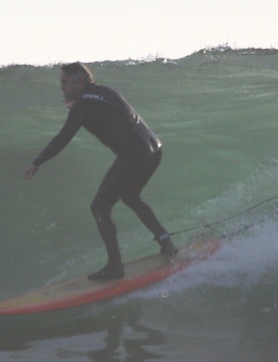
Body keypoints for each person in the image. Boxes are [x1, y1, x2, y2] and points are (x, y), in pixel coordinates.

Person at [24, 62, 177, 280]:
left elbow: (64, 137)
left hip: (133, 154)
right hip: (154, 149)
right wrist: (78, 107)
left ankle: (115, 266)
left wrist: (38, 161)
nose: (62, 87)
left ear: (79, 82)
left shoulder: (82, 105)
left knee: (99, 206)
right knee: (130, 196)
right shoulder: (105, 92)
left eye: (65, 82)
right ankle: (166, 243)